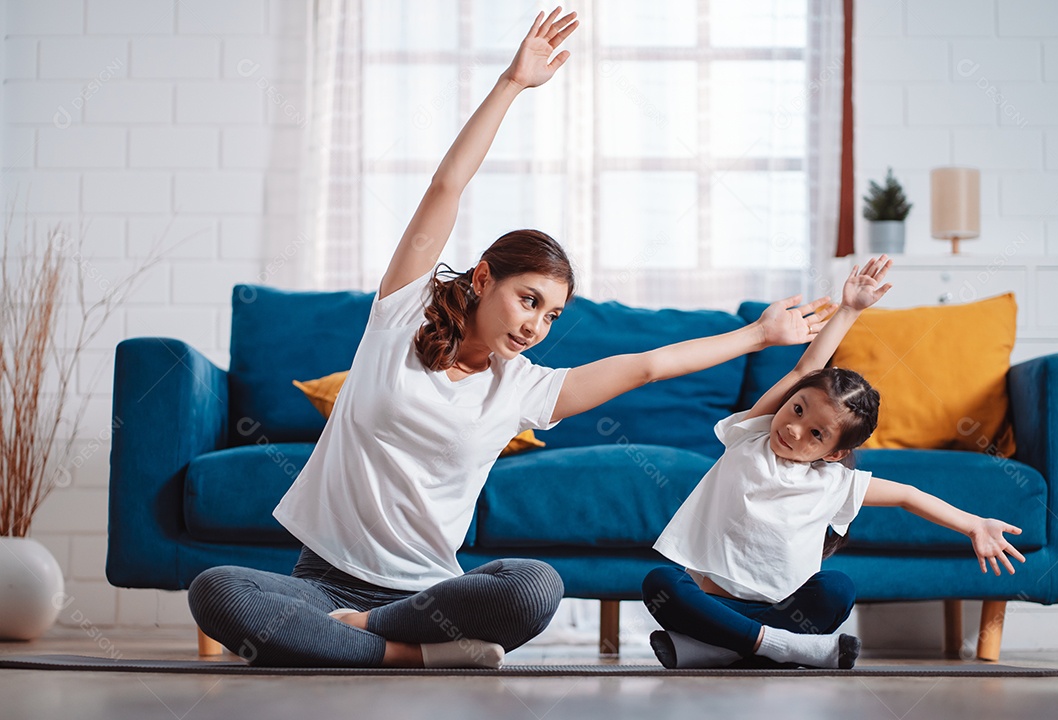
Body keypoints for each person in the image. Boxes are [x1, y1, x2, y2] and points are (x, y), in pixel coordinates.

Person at [188, 7, 835, 669]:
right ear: (484, 277)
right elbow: (447, 185)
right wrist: (511, 84)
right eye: (529, 300)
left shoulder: (525, 388)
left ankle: (369, 637)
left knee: (535, 588)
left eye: (551, 315)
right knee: (218, 591)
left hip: (430, 594)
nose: (535, 325)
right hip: (322, 580)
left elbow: (646, 367)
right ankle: (411, 656)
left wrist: (758, 333)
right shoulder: (398, 318)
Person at [643, 256, 1027, 670]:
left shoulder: (832, 482)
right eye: (797, 410)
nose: (793, 429)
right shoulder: (750, 435)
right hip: (713, 605)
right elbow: (807, 367)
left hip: (784, 613)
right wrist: (850, 309)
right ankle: (783, 649)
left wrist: (973, 523)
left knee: (837, 588)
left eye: (817, 434)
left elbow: (907, 496)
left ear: (834, 454)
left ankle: (720, 649)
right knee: (661, 583)